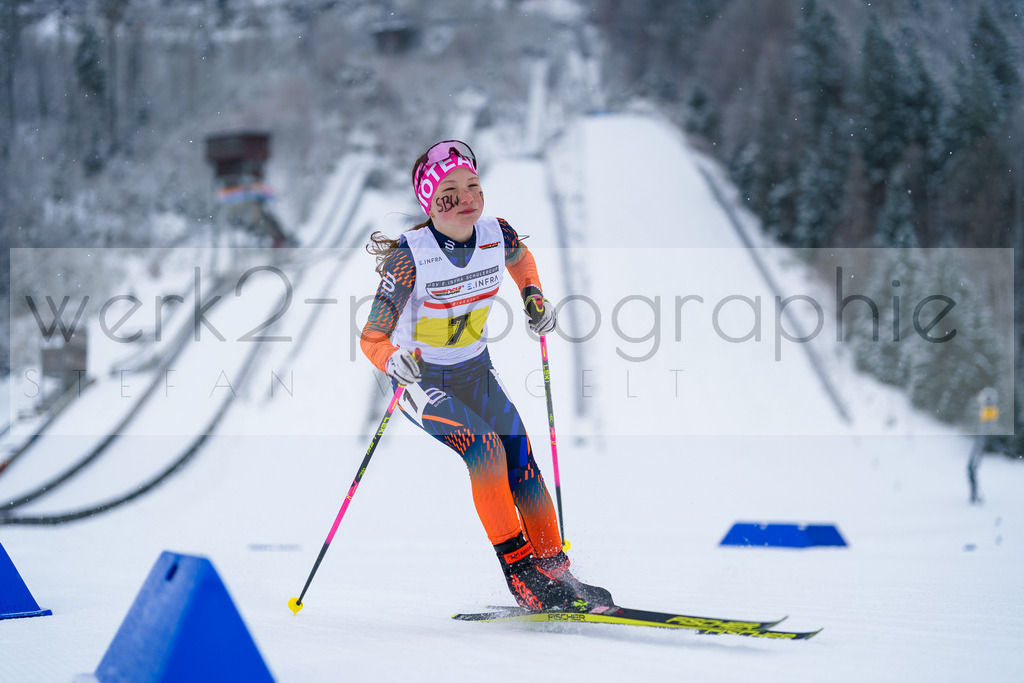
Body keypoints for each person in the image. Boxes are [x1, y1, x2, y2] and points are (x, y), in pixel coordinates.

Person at [360, 140, 611, 611]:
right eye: (451, 190)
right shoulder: (410, 256)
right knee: (485, 449)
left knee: (519, 453)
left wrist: (533, 296)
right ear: (430, 202)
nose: (466, 197)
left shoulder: (497, 234)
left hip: (474, 370)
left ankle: (556, 570)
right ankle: (521, 577)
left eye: (473, 184)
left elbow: (521, 262)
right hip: (421, 382)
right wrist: (392, 358)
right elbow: (372, 337)